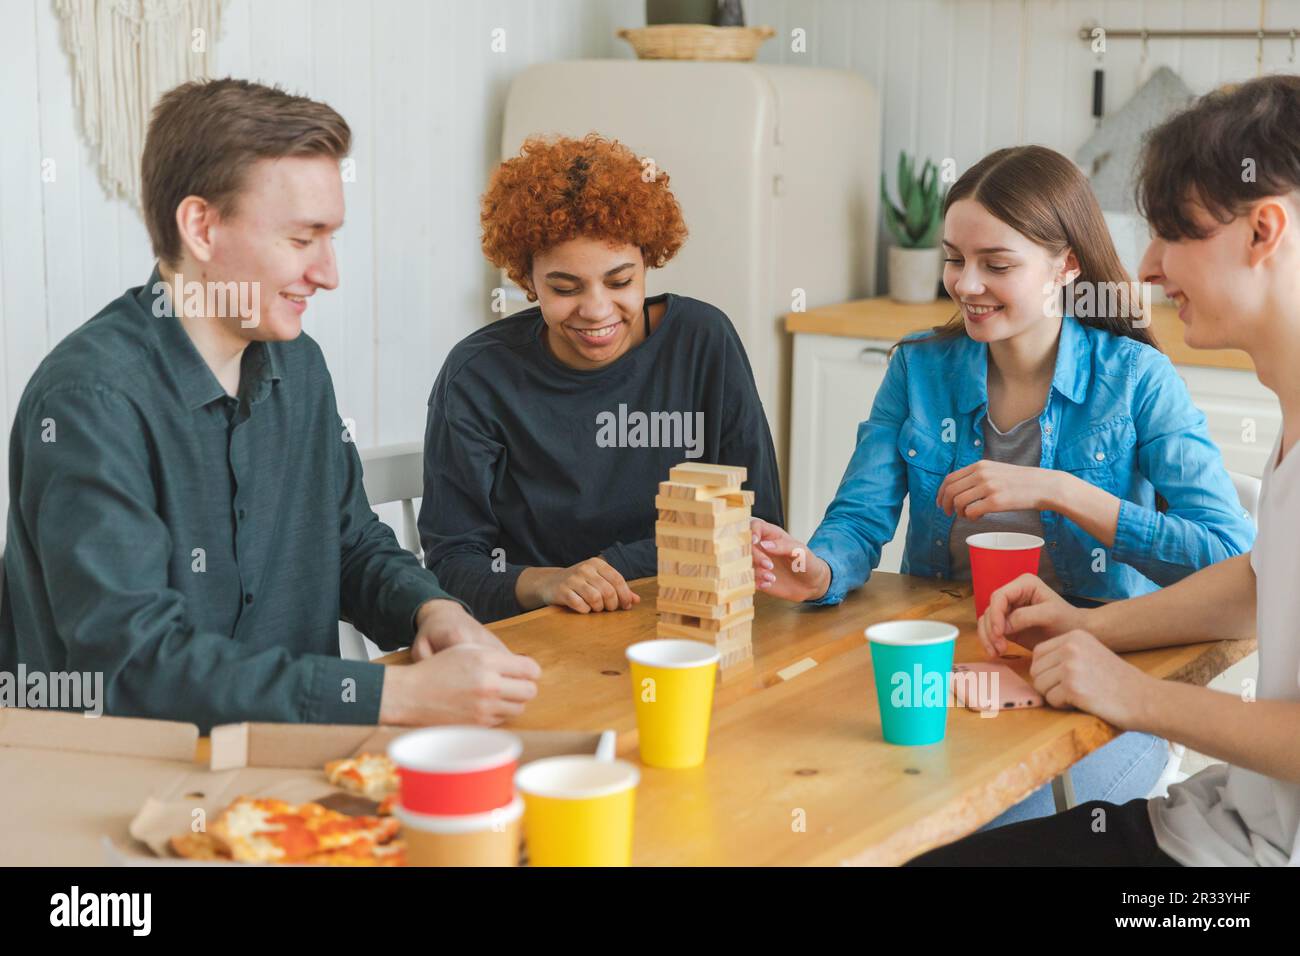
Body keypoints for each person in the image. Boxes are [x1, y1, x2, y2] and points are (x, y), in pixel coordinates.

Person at [0, 78, 539, 735]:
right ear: (201, 227)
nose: (328, 272)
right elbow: (135, 666)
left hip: (289, 777)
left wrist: (433, 612)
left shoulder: (298, 364)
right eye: (302, 238)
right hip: (119, 797)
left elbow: (349, 543)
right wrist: (394, 698)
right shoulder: (88, 404)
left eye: (330, 237)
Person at [750, 145, 1254, 827]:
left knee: (987, 825)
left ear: (1065, 265)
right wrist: (817, 569)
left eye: (998, 264)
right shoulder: (918, 370)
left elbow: (1232, 558)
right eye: (955, 259)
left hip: (1097, 681)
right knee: (825, 796)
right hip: (946, 670)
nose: (967, 285)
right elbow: (859, 520)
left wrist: (1059, 489)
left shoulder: (1136, 380)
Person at [908, 74, 1300, 865]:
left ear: (1263, 230)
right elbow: (1259, 583)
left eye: (1173, 232)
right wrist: (1089, 628)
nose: (1147, 267)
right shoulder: (1291, 417)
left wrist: (1131, 694)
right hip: (1223, 822)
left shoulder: (1141, 377)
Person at [419, 134, 783, 623]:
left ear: (648, 262)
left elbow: (757, 526)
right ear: (528, 281)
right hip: (538, 639)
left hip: (684, 625)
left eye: (620, 282)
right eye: (564, 288)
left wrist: (609, 567)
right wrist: (551, 582)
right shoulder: (478, 376)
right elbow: (451, 567)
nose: (596, 311)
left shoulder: (703, 341)